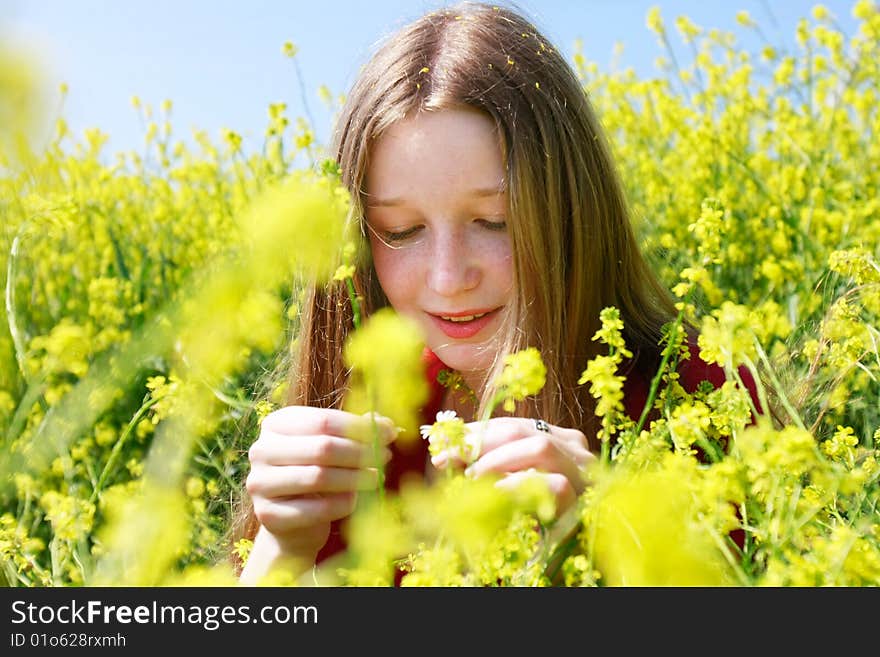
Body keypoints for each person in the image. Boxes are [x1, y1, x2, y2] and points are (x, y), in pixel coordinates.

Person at [232, 1, 761, 585]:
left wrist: (609, 545)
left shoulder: (698, 399)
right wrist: (279, 552)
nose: (448, 277)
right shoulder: (357, 412)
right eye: (402, 231)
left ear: (570, 211)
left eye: (496, 221)